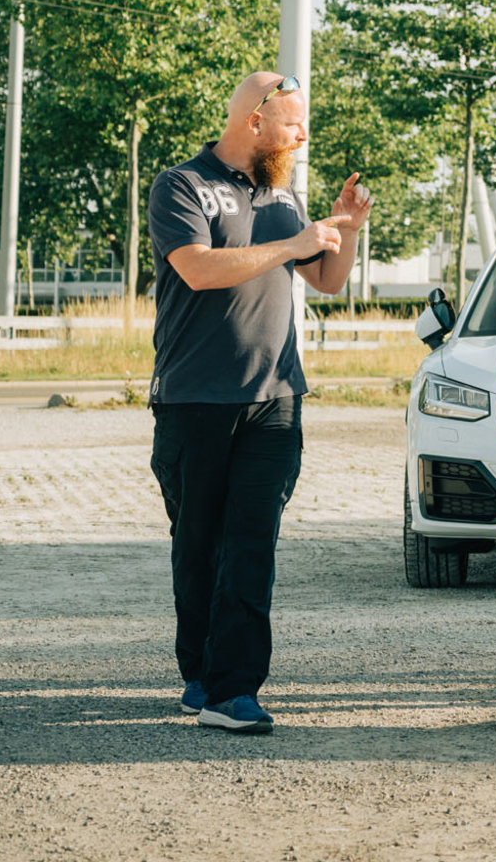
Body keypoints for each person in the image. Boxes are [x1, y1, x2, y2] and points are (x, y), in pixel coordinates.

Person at [147, 70, 372, 735]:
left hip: (276, 400)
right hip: (194, 399)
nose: (302, 136)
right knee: (198, 545)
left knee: (251, 543)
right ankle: (201, 671)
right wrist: (292, 244)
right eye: (294, 125)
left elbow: (327, 280)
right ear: (255, 122)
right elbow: (197, 267)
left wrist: (347, 229)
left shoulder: (282, 196)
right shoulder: (181, 186)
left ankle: (233, 690)